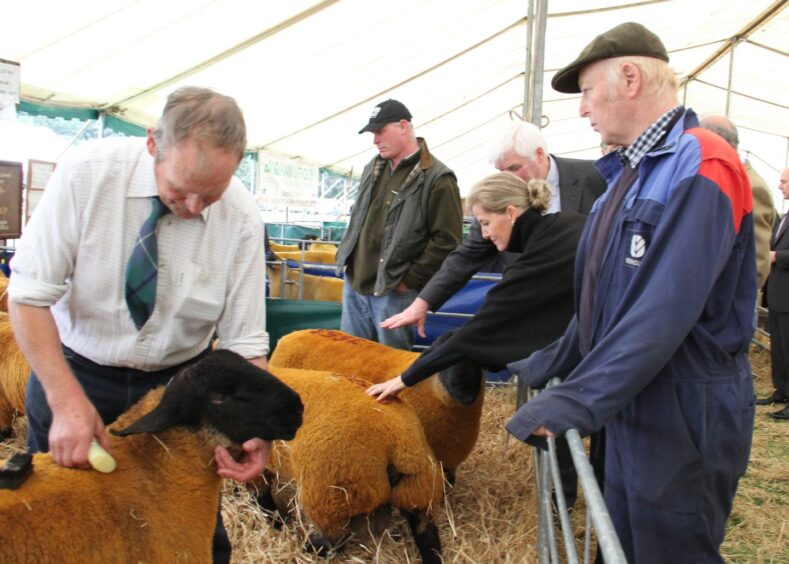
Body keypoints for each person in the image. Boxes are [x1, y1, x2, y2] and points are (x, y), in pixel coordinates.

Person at [505, 22, 756, 562]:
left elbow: (662, 309)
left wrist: (574, 399)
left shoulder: (702, 162)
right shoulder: (627, 177)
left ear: (629, 77)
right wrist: (547, 361)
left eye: (588, 91)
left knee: (666, 546)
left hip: (683, 406)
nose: (582, 109)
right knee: (622, 536)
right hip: (633, 394)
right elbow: (604, 299)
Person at [7, 87, 270, 563]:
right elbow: (27, 296)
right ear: (153, 144)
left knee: (188, 536)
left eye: (211, 193)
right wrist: (67, 403)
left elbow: (244, 342)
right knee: (63, 524)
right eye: (180, 189)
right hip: (76, 374)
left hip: (178, 393)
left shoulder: (242, 218)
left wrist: (254, 426)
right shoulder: (86, 176)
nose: (193, 207)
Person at [380, 120, 605, 339]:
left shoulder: (596, 176)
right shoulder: (496, 198)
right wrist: (423, 303)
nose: (508, 177)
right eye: (501, 170)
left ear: (538, 154)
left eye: (514, 168)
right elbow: (467, 256)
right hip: (532, 315)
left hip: (590, 308)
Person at [334, 99, 463, 350]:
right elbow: (359, 216)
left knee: (390, 366)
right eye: (373, 133)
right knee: (351, 357)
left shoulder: (438, 178)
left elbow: (447, 240)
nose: (375, 140)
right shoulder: (374, 166)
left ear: (403, 126)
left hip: (393, 290)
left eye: (380, 131)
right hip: (356, 282)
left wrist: (409, 280)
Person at [700, 115, 776, 289]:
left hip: (729, 304)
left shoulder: (751, 186)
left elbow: (756, 263)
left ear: (717, 142)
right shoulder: (721, 177)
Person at [761, 168, 789, 418]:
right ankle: (781, 390)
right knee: (779, 348)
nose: (779, 185)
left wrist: (776, 256)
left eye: (784, 181)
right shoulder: (786, 215)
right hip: (779, 295)